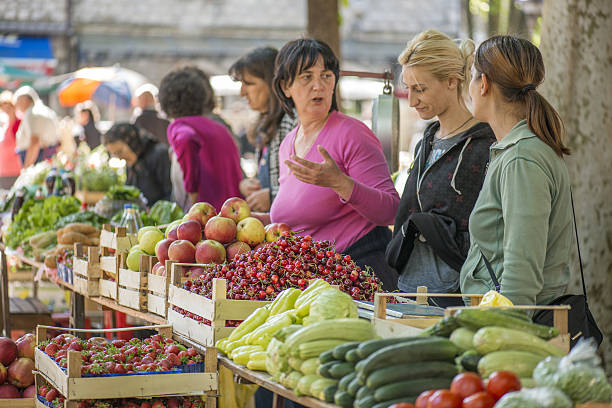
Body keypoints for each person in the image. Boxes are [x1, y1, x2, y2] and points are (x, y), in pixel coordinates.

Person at [266, 38, 400, 290]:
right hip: (312, 281)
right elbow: (299, 215)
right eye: (307, 77)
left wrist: (340, 183)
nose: (318, 85)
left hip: (359, 277)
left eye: (326, 75)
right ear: (286, 86)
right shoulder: (288, 143)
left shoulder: (352, 134)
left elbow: (391, 209)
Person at [460, 35, 572, 306]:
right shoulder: (515, 151)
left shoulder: (522, 158)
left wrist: (503, 334)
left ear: (484, 84)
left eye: (472, 77)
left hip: (508, 327)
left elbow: (521, 274)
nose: (470, 88)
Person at [388, 30, 496, 307]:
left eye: (420, 89)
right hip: (411, 288)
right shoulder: (427, 139)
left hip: (462, 297)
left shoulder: (487, 145)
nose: (411, 100)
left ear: (451, 81)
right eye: (408, 88)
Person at [159, 67, 243, 211]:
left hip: (207, 219)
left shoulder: (179, 126)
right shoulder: (219, 128)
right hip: (233, 213)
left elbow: (185, 139)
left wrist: (193, 193)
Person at [229, 46, 299, 212]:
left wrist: (272, 196)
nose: (242, 92)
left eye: (249, 84)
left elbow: (308, 187)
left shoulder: (294, 122)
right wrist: (250, 184)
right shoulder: (265, 123)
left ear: (273, 84)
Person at [104, 123, 172, 205]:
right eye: (115, 154)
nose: (120, 158)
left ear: (132, 142)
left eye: (120, 151)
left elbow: (170, 194)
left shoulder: (159, 154)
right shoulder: (132, 162)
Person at [12, 86, 59, 167]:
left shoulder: (32, 113)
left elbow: (35, 141)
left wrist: (27, 167)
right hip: (45, 156)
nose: (17, 105)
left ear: (25, 100)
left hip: (37, 158)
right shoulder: (45, 110)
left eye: (18, 101)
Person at [0, 91, 22, 187]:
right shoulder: (5, 124)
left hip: (15, 170)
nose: (6, 110)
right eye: (3, 107)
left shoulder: (18, 123)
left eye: (8, 107)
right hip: (3, 171)